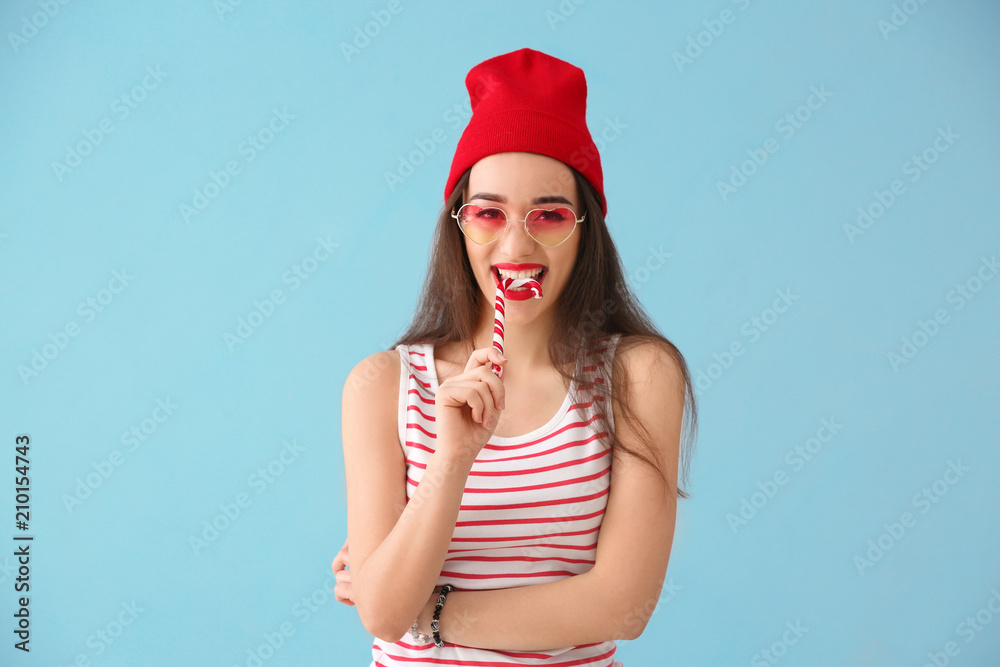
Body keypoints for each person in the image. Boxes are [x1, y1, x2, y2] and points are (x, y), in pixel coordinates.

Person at [334, 47, 697, 666]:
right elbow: (381, 612)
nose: (516, 242)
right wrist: (451, 458)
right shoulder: (383, 384)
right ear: (459, 225)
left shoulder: (639, 376)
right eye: (489, 213)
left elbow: (624, 607)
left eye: (549, 214)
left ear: (585, 231)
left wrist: (434, 613)